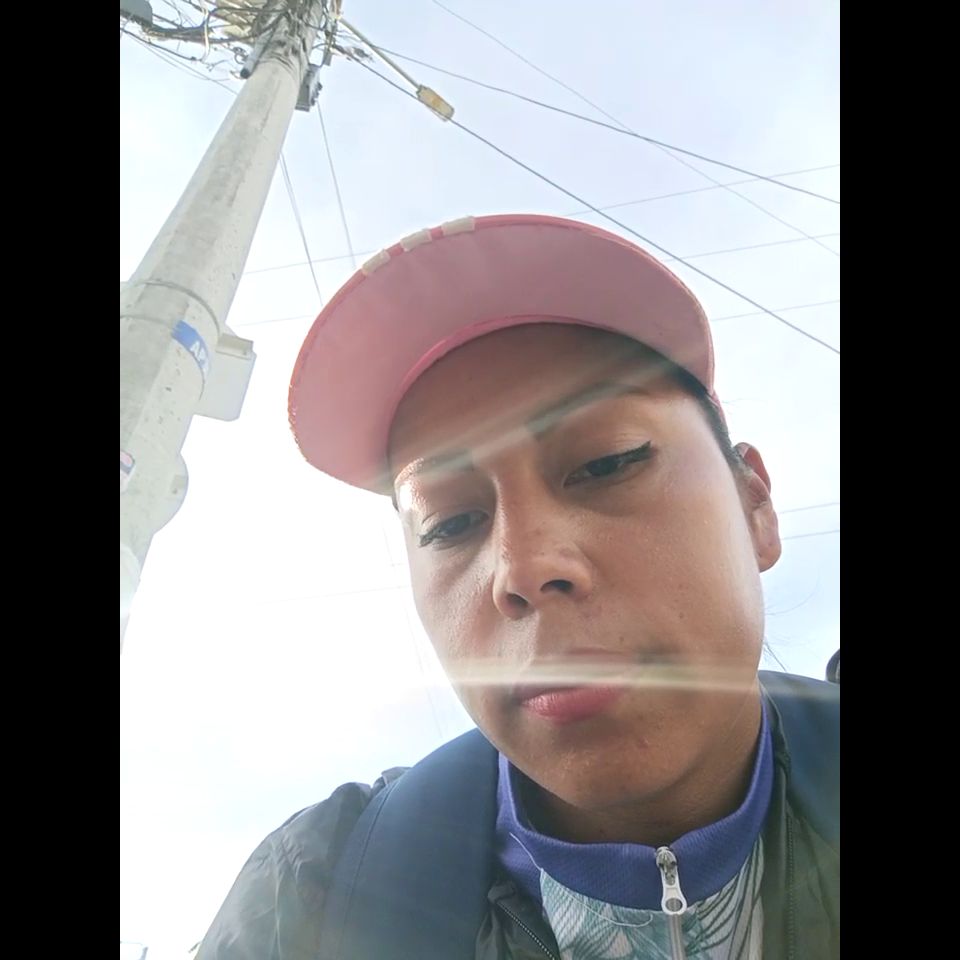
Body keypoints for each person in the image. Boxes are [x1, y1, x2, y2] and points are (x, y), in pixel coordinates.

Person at [196, 214, 839, 960]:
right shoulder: (307, 898)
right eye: (450, 522)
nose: (523, 568)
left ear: (754, 504)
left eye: (605, 463)